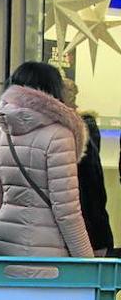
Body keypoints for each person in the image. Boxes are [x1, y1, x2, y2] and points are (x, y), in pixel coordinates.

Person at [0, 62, 94, 259]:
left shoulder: (2, 134)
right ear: (53, 89)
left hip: (3, 245)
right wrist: (87, 260)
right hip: (45, 250)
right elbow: (67, 211)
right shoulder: (59, 135)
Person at [62, 79, 113, 257]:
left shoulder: (80, 131)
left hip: (71, 230)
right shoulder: (82, 131)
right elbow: (95, 188)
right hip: (84, 226)